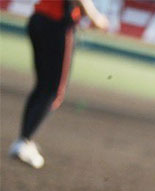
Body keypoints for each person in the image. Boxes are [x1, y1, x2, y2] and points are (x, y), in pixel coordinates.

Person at [8, 0, 110, 169]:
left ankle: (24, 139)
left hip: (38, 18)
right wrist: (96, 17)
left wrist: (82, 13)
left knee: (42, 86)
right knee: (53, 91)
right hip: (56, 24)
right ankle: (24, 142)